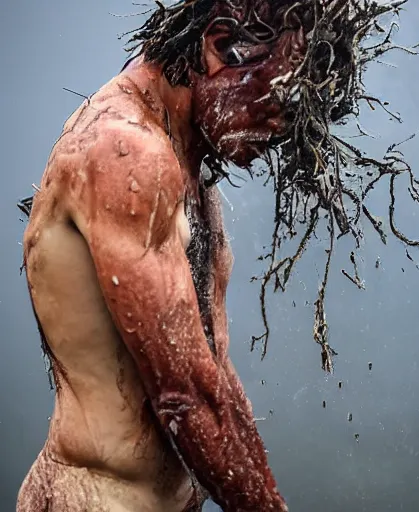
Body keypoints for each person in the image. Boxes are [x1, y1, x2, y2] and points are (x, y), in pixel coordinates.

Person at [17, 2, 307, 511]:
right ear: (220, 47)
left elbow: (212, 376)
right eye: (274, 110)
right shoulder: (121, 151)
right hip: (98, 499)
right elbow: (185, 395)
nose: (275, 139)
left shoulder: (188, 164)